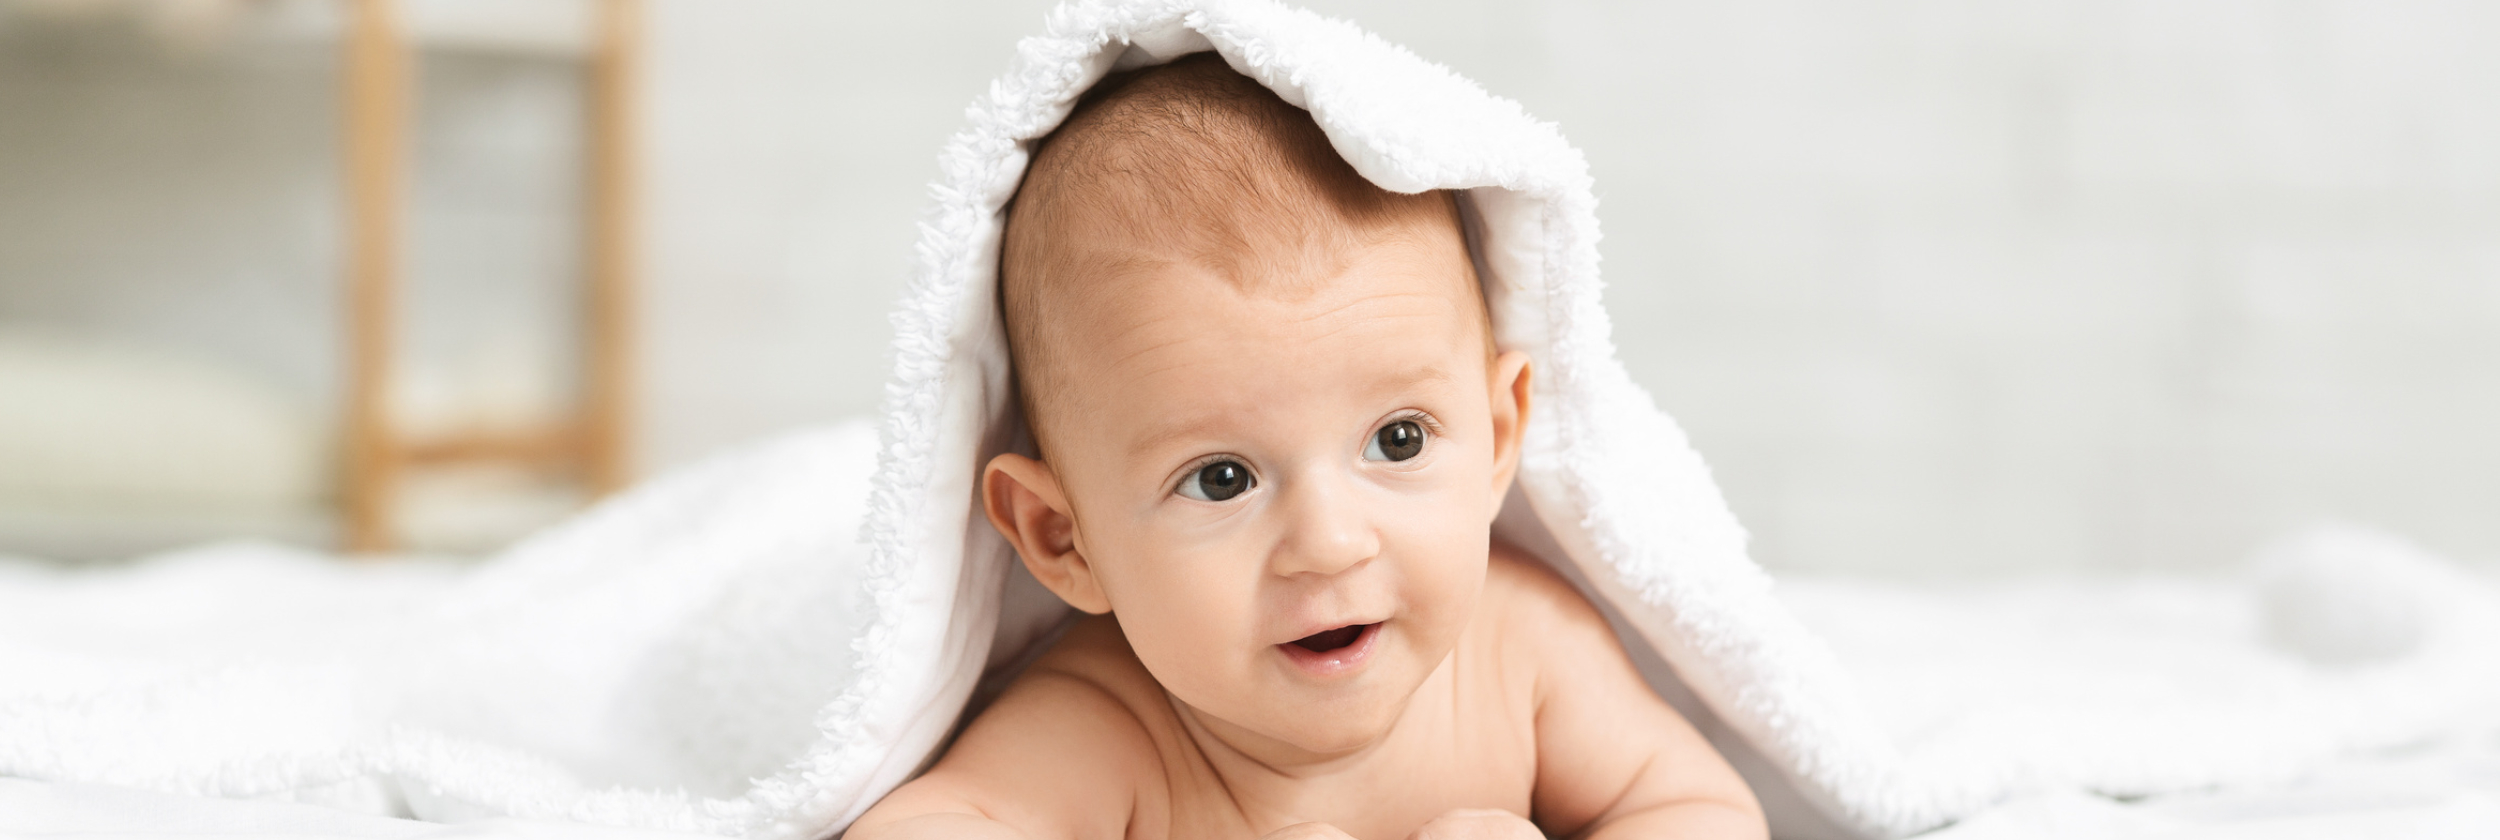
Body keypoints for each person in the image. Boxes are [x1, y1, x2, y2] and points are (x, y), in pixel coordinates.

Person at [850, 53, 1766, 840]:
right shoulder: (1109, 725)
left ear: (1497, 438)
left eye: (1398, 440)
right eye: (1221, 479)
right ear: (1063, 536)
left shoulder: (1523, 651)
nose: (1330, 541)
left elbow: (1701, 807)